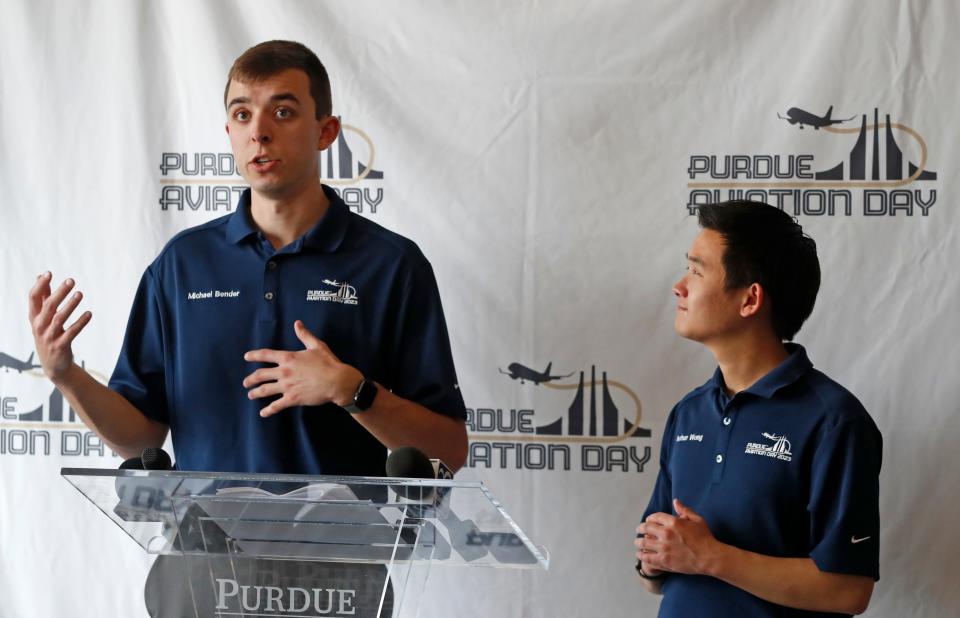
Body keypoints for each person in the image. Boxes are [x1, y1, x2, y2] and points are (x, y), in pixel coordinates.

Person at [27, 40, 468, 475]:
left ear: (326, 131)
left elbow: (449, 450)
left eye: (283, 112)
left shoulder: (392, 265)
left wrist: (351, 390)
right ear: (230, 134)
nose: (258, 131)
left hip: (342, 546)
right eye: (242, 114)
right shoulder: (182, 264)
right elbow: (141, 440)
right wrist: (65, 374)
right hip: (204, 543)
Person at [634, 201, 881, 617]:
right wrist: (654, 560)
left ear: (750, 300)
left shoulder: (835, 422)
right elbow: (654, 569)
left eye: (696, 270)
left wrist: (711, 557)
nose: (680, 286)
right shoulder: (688, 413)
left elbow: (848, 591)